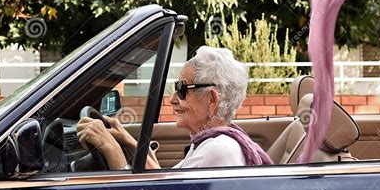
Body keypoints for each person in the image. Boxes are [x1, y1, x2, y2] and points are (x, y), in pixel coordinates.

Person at [77, 46, 273, 170]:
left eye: (181, 89)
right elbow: (165, 182)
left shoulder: (218, 149)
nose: (171, 100)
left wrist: (110, 149)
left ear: (211, 100)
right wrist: (128, 141)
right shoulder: (209, 142)